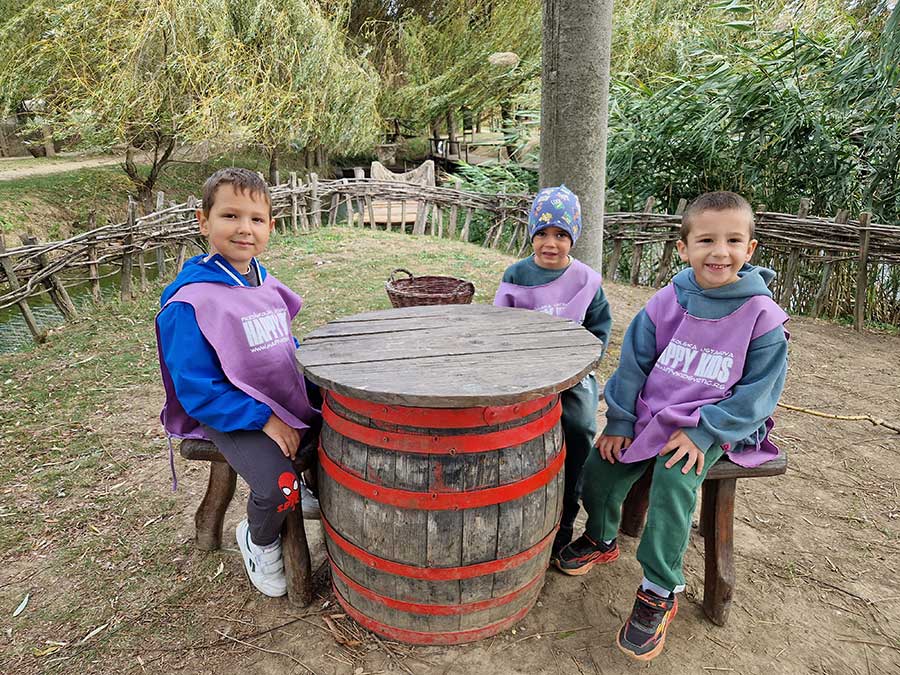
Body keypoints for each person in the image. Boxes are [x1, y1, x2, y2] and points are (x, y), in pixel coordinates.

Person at [555, 191, 789, 661]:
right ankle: (601, 537)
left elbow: (759, 394)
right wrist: (621, 419)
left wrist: (705, 432)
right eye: (705, 240)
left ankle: (659, 588)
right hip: (653, 411)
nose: (719, 252)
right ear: (683, 248)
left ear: (749, 249)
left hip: (715, 421)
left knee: (674, 477)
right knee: (602, 466)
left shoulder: (762, 318)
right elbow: (634, 363)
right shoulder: (667, 301)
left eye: (733, 241)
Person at [155, 167, 321, 598]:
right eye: (230, 216)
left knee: (343, 425)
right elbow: (197, 389)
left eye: (256, 218)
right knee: (280, 488)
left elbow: (279, 342)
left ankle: (307, 488)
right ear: (203, 221)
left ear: (270, 226)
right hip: (229, 412)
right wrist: (263, 418)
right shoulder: (191, 302)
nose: (245, 228)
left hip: (278, 397)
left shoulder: (263, 281)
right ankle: (258, 539)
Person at [493, 185, 612, 560]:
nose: (551, 243)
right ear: (531, 233)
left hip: (572, 375)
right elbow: (499, 329)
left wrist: (579, 366)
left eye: (561, 234)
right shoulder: (516, 275)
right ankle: (510, 507)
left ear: (573, 236)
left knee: (578, 426)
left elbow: (599, 330)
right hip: (524, 375)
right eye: (542, 232)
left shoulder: (586, 280)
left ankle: (565, 519)